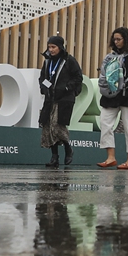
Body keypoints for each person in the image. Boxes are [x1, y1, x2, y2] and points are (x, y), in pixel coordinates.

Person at [97, 27, 128, 170]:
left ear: (126, 39)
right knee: (105, 122)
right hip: (111, 95)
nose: (116, 42)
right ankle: (110, 157)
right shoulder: (111, 55)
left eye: (119, 39)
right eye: (114, 39)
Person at [39, 35, 83, 168]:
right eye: (49, 47)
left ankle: (68, 149)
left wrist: (66, 87)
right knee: (48, 127)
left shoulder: (69, 60)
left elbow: (78, 77)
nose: (51, 50)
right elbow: (42, 78)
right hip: (50, 98)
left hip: (64, 99)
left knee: (58, 126)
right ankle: (54, 157)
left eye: (53, 47)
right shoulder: (47, 62)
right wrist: (44, 87)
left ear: (60, 47)